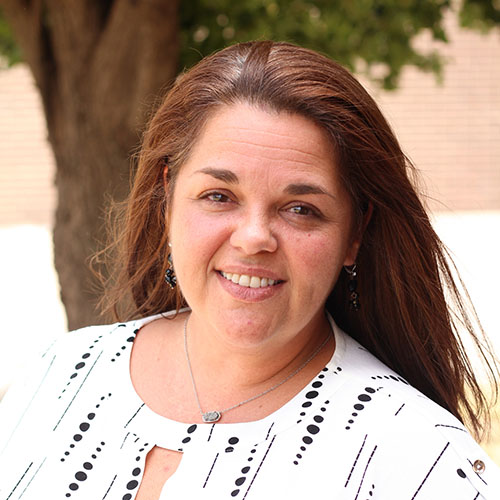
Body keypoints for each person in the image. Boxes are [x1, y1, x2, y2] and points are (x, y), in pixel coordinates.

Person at [0, 40, 498, 499]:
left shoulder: (419, 458)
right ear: (167, 201)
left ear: (354, 234)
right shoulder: (59, 373)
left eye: (301, 208)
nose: (254, 237)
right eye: (219, 196)